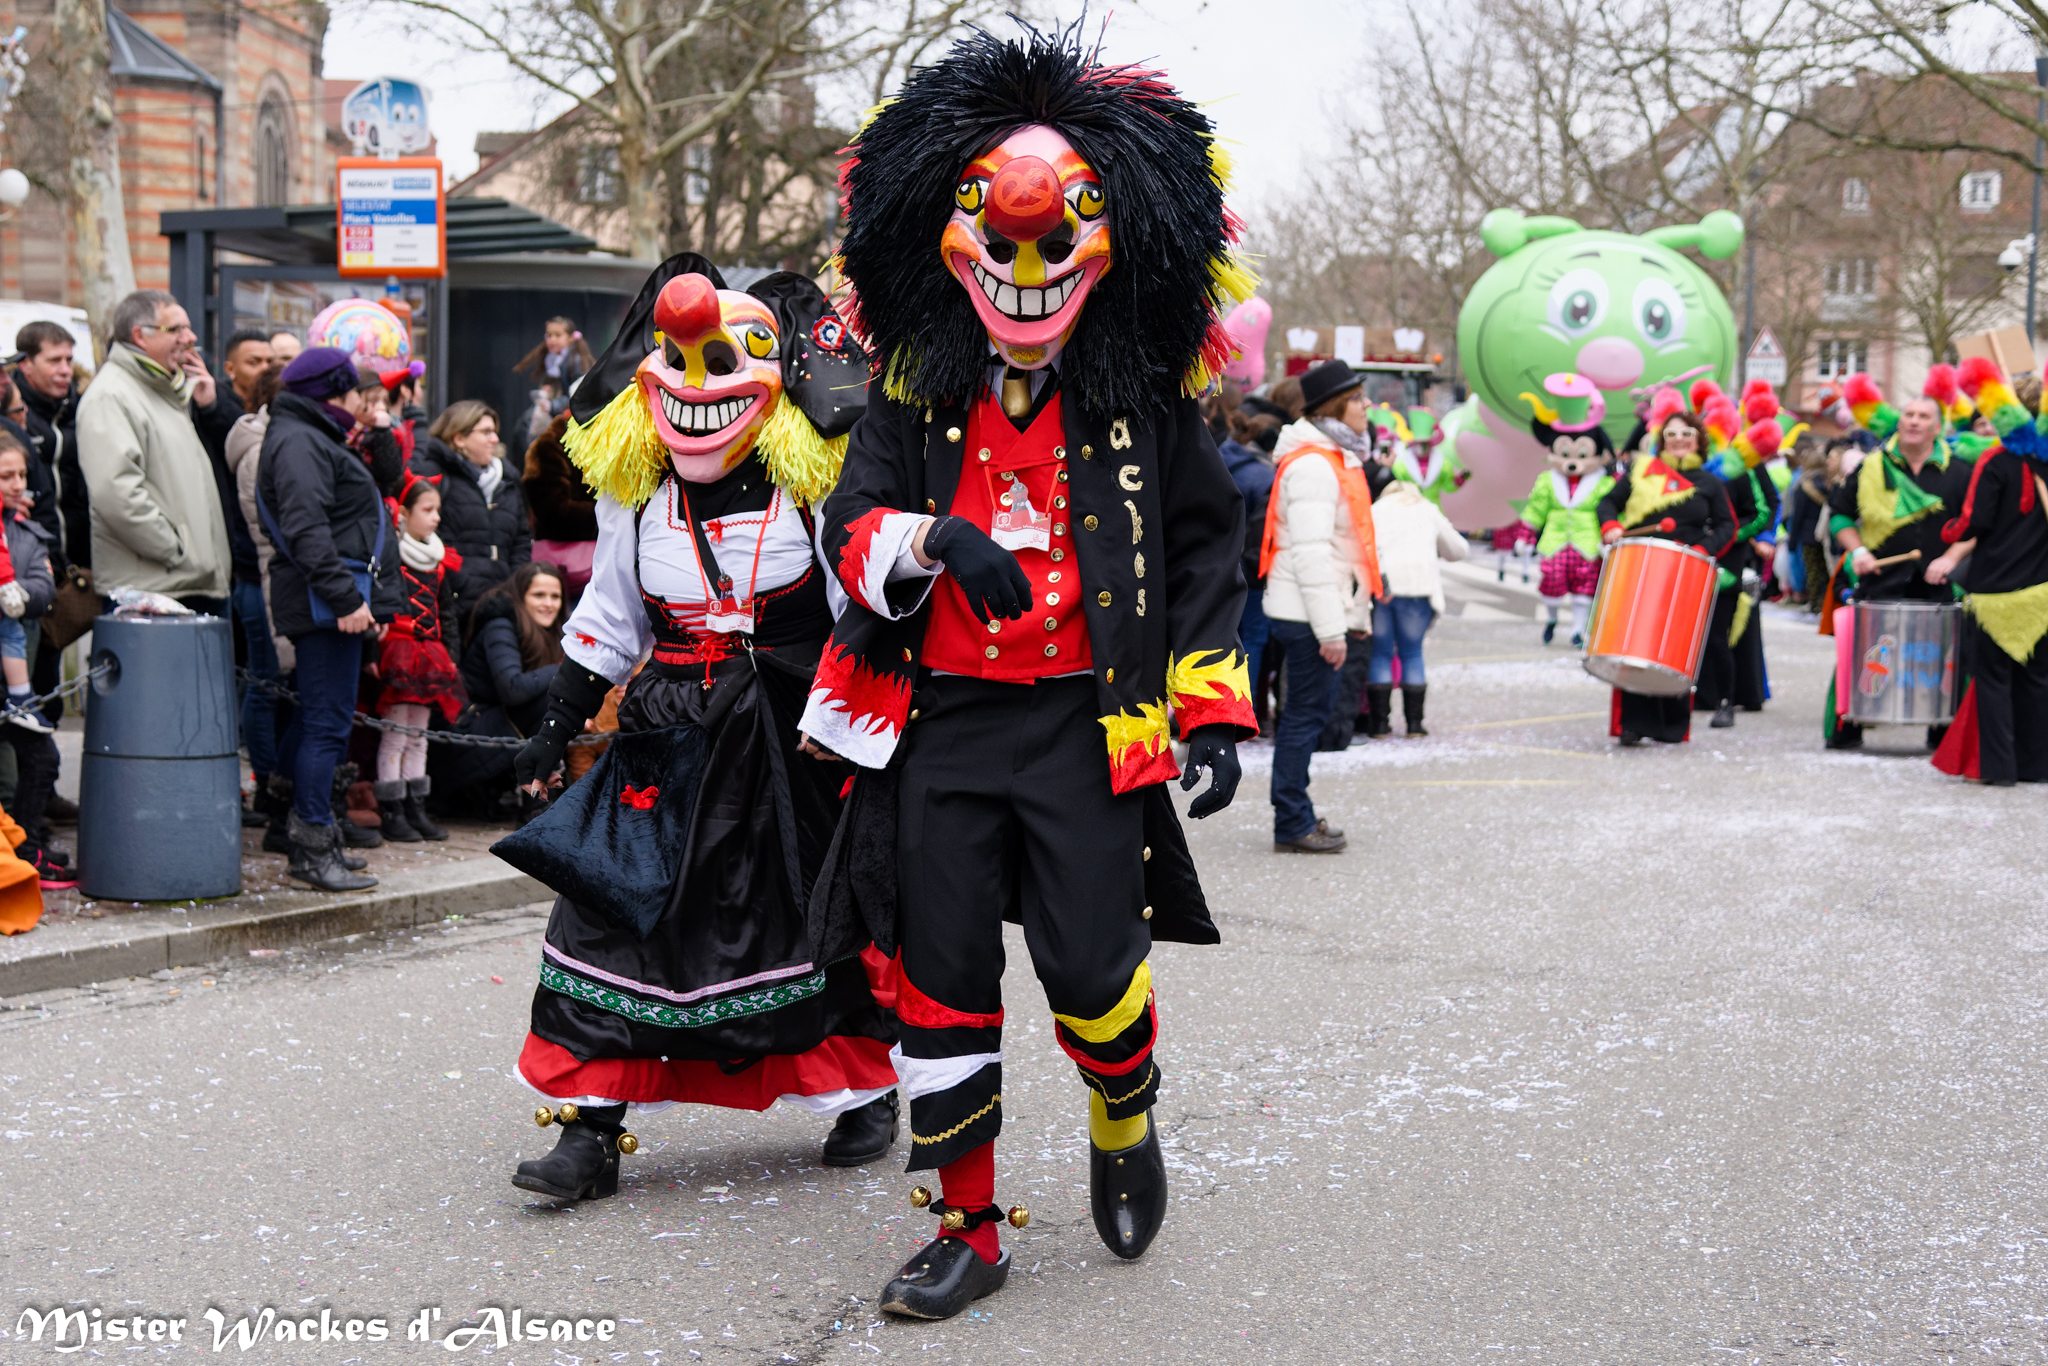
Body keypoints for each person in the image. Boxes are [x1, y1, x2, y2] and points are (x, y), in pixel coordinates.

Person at [796, 28, 1257, 1320]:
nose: (1028, 267)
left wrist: (1211, 707)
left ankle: (1123, 1107)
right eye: (1001, 242)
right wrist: (933, 541)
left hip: (1081, 726)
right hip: (940, 724)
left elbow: (1209, 552)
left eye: (1059, 243)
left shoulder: (1144, 409)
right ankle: (969, 1221)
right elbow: (849, 527)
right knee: (939, 976)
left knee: (1094, 966)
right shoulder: (907, 394)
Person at [502, 254, 900, 1203]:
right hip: (667, 731)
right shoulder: (637, 493)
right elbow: (609, 615)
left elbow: (865, 611)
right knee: (608, 911)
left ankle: (865, 1091)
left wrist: (850, 725)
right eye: (676, 366)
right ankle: (590, 1127)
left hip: (790, 739)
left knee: (806, 923)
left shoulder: (815, 485)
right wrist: (556, 726)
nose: (696, 393)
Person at [255, 346, 401, 892]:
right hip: (325, 605)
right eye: (349, 395)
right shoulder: (300, 440)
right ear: (329, 395)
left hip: (324, 600)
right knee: (326, 724)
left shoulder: (306, 434)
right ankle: (312, 846)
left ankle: (294, 829)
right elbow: (306, 529)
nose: (355, 404)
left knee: (314, 719)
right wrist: (346, 600)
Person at [1261, 359, 1382, 848]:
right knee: (1304, 719)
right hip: (1309, 616)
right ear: (1335, 406)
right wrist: (1332, 630)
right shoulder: (1314, 464)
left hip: (1307, 611)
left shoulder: (1326, 456)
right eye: (1358, 397)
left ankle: (1297, 813)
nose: (1367, 406)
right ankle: (1292, 821)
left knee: (1304, 716)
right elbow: (1310, 556)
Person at [1823, 376, 1972, 749]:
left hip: (1938, 580)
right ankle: (1846, 724)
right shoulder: (1872, 466)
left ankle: (1942, 728)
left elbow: (1979, 525)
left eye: (1923, 416)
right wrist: (1857, 551)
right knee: (1859, 651)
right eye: (1908, 414)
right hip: (1882, 574)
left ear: (1938, 427)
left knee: (1945, 657)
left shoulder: (1961, 472)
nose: (1914, 421)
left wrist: (1951, 558)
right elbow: (1840, 516)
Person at [74, 290, 233, 613]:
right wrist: (177, 551)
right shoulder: (112, 396)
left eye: (187, 328)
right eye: (175, 329)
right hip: (155, 591)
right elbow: (116, 493)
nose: (189, 338)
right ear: (139, 336)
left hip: (184, 581)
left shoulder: (165, 390)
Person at [1597, 382, 1738, 745]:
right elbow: (1608, 504)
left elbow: (1727, 525)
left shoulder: (1710, 482)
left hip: (1686, 570)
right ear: (1661, 439)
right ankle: (1632, 724)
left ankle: (1672, 724)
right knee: (1638, 644)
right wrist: (1612, 527)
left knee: (1676, 646)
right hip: (1642, 567)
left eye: (1686, 434)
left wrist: (1704, 548)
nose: (1678, 440)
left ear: (1698, 440)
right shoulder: (1641, 472)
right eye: (1671, 434)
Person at [1930, 376, 2048, 785]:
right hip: (2042, 591)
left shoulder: (1995, 462)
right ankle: (2037, 767)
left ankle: (1999, 769)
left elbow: (1974, 520)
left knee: (1993, 680)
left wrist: (1948, 533)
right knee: (2037, 678)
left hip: (1996, 587)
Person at [430, 561, 564, 817]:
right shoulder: (500, 625)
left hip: (495, 734)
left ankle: (543, 801)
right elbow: (511, 689)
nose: (548, 603)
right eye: (539, 595)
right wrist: (561, 668)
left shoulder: (551, 632)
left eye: (555, 596)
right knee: (549, 701)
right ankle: (536, 809)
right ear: (520, 596)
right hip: (463, 735)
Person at [1689, 380, 1787, 729]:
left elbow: (1766, 507)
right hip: (1693, 556)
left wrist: (1744, 536)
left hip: (1731, 559)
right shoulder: (1688, 462)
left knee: (1730, 631)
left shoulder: (1743, 460)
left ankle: (1734, 694)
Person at [224, 365, 295, 841]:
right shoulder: (257, 446)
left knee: (275, 686)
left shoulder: (275, 439)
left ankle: (274, 784)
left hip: (269, 577)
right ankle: (267, 783)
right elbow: (264, 525)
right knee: (266, 684)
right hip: (260, 580)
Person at [372, 473, 463, 841]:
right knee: (395, 733)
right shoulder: (392, 558)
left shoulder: (439, 562)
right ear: (404, 513)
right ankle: (391, 809)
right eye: (428, 510)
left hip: (431, 655)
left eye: (438, 510)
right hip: (399, 651)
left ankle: (415, 807)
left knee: (419, 735)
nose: (436, 517)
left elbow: (447, 613)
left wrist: (452, 655)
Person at [0, 434, 65, 888]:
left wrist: (22, 595)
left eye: (21, 474)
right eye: (7, 475)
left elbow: (46, 588)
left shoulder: (27, 531)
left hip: (14, 660)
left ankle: (24, 849)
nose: (17, 483)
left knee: (40, 757)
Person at [412, 400, 530, 643]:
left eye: (495, 432)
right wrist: (461, 584)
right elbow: (429, 536)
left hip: (505, 603)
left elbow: (521, 539)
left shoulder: (508, 480)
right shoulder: (435, 475)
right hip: (452, 606)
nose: (495, 439)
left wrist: (514, 586)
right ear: (459, 438)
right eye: (486, 432)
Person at [1519, 374, 1617, 650]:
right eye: (1566, 453)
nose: (1573, 462)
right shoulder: (1547, 481)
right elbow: (1537, 508)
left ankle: (1577, 629)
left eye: (1582, 454)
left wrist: (1609, 534)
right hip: (1554, 541)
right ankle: (1551, 618)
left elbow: (1610, 510)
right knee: (1551, 580)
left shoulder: (1603, 483)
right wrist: (1526, 536)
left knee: (1585, 585)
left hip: (1588, 542)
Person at [1368, 476, 1468, 738]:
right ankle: (1414, 725)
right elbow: (1458, 549)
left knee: (1381, 654)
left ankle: (1379, 725)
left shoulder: (1376, 510)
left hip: (1383, 589)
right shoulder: (1427, 509)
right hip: (1418, 590)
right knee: (1412, 653)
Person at [1220, 409, 1278, 719]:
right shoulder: (1264, 476)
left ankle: (1221, 707)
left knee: (1222, 636)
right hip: (1251, 568)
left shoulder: (1216, 458)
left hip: (1215, 565)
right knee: (1254, 637)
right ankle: (1248, 706)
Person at [12, 321, 81, 567]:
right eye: (54, 361)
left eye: (69, 360)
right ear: (25, 364)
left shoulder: (80, 410)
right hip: (32, 560)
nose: (65, 370)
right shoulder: (12, 416)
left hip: (81, 560)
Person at [522, 412, 600, 593]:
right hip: (568, 566)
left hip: (600, 563)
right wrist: (606, 513)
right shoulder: (550, 445)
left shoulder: (606, 440)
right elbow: (553, 510)